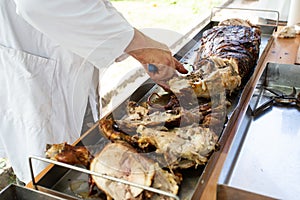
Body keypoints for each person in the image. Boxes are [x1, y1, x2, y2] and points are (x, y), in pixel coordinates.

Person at [0, 0, 187, 184]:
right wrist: (138, 44)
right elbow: (38, 4)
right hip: (35, 63)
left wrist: (134, 44)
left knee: (84, 157)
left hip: (61, 60)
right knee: (52, 173)